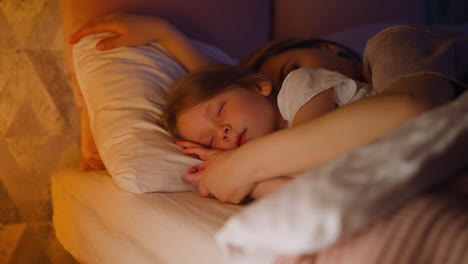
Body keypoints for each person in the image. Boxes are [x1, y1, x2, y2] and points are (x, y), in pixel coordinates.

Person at [70, 13, 468, 204]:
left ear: (329, 48)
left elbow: (412, 108)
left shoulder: (394, 43)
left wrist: (242, 167)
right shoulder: (270, 116)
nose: (223, 132)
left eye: (288, 69)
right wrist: (165, 36)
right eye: (212, 137)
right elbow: (230, 97)